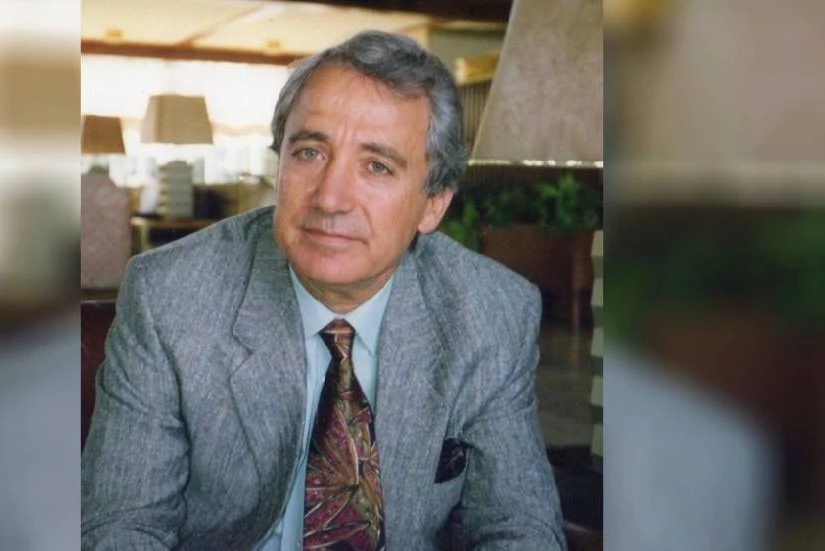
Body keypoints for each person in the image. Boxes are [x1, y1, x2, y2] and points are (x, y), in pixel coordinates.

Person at [82, 30, 565, 550]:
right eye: (310, 152)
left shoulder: (491, 313)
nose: (331, 198)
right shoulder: (170, 296)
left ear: (433, 205)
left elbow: (517, 528)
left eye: (377, 166)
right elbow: (121, 528)